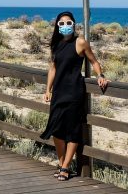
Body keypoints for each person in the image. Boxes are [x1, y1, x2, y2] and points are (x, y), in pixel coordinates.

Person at [40, 11, 109, 181]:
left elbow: (93, 61)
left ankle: (65, 167)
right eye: (62, 23)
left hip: (74, 92)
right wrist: (48, 90)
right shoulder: (56, 44)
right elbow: (53, 68)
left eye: (68, 23)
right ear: (57, 26)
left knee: (72, 130)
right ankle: (62, 163)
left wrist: (100, 75)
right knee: (56, 129)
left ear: (74, 24)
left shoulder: (80, 42)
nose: (65, 26)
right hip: (58, 92)